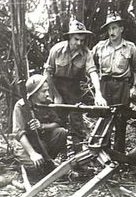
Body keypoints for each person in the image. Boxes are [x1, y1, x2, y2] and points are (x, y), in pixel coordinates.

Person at [43, 20, 106, 153]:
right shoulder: (57, 50)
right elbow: (47, 73)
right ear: (69, 37)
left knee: (77, 123)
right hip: (56, 87)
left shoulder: (86, 53)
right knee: (57, 122)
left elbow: (93, 72)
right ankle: (58, 154)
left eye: (82, 40)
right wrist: (56, 95)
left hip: (74, 89)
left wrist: (99, 93)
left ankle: (78, 157)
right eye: (76, 39)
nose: (79, 43)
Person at [92, 12, 136, 153]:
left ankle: (119, 155)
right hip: (105, 85)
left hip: (122, 86)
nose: (111, 32)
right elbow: (90, 65)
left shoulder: (130, 48)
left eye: (114, 28)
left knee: (121, 121)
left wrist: (134, 87)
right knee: (104, 119)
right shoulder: (100, 47)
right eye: (109, 29)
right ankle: (104, 152)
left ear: (121, 29)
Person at [12, 74, 67, 180]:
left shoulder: (47, 103)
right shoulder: (21, 106)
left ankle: (48, 160)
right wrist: (33, 154)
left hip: (42, 142)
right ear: (34, 93)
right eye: (44, 91)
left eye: (47, 90)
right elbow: (19, 133)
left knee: (61, 132)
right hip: (26, 144)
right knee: (34, 168)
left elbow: (57, 123)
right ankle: (39, 162)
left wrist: (42, 126)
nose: (47, 94)